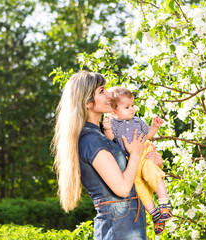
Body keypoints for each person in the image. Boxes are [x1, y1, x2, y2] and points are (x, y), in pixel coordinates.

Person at [52, 70, 163, 239]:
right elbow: (123, 188)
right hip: (118, 230)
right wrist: (135, 154)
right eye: (102, 91)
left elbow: (131, 179)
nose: (109, 94)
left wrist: (149, 163)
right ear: (88, 102)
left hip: (129, 226)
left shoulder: (105, 135)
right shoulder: (91, 140)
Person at [102, 87, 172, 235]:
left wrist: (155, 126)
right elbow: (110, 138)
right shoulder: (113, 124)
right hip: (131, 161)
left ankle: (164, 203)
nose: (132, 109)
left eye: (132, 105)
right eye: (127, 107)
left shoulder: (138, 121)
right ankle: (155, 215)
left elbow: (148, 135)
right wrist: (107, 129)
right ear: (114, 111)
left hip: (144, 154)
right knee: (140, 188)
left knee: (153, 173)